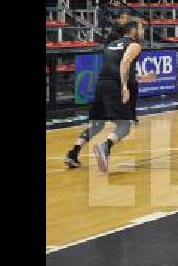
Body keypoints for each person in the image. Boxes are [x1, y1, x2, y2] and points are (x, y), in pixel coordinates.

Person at [64, 15, 154, 172]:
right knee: (124, 125)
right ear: (133, 31)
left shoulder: (111, 44)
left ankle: (73, 153)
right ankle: (105, 147)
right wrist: (125, 86)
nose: (143, 31)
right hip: (115, 86)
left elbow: (114, 67)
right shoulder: (134, 45)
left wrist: (139, 76)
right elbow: (124, 63)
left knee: (97, 124)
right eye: (141, 28)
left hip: (102, 84)